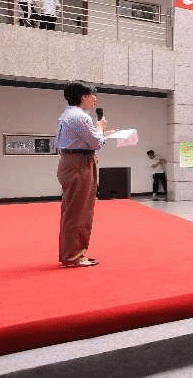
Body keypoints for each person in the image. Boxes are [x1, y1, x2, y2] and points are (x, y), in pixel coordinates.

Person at [55, 81, 109, 268]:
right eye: (93, 95)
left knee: (73, 210)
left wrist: (100, 133)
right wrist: (100, 128)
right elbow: (96, 143)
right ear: (84, 97)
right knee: (79, 211)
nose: (95, 100)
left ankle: (74, 253)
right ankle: (73, 256)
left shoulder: (68, 115)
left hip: (72, 161)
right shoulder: (80, 117)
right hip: (79, 163)